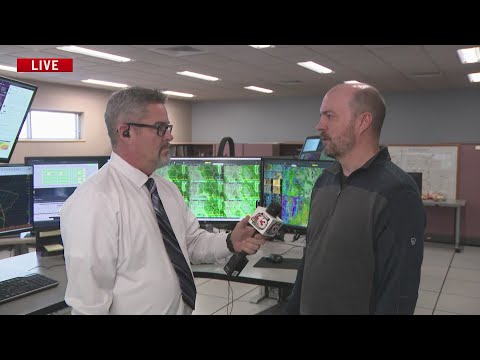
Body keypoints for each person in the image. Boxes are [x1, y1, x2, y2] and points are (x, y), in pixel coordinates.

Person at [60, 87, 266, 315]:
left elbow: (190, 243)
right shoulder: (94, 203)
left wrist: (230, 241)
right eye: (160, 128)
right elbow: (88, 306)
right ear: (125, 132)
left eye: (168, 127)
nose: (169, 136)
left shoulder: (166, 189)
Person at [286, 83, 426, 315]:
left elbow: (399, 293)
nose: (319, 125)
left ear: (363, 122)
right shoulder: (323, 182)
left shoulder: (397, 193)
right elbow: (309, 260)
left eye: (329, 116)